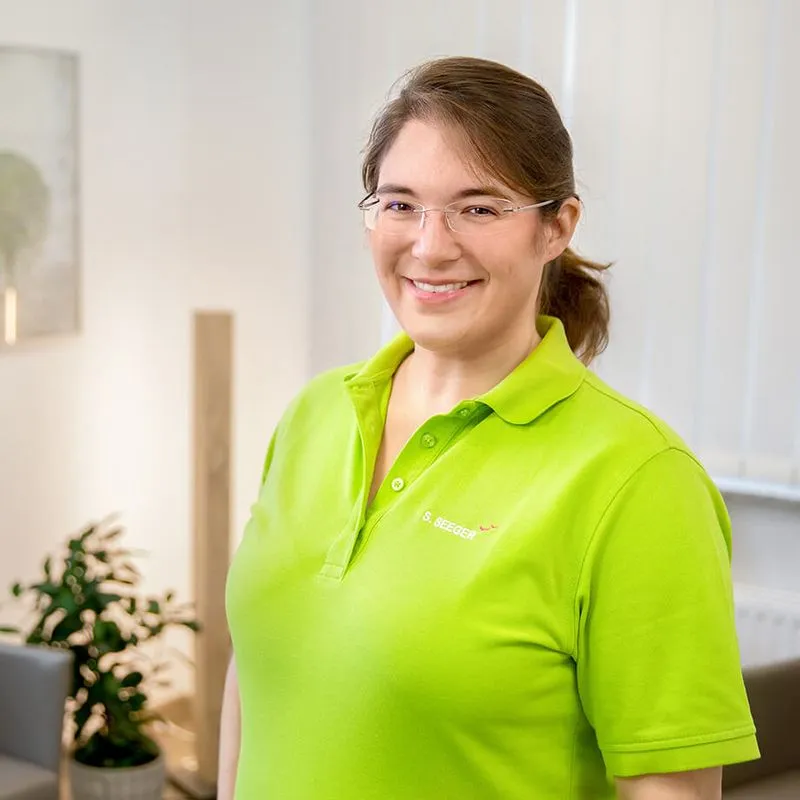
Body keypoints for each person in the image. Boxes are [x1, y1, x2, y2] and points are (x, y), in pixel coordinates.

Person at [219, 56, 759, 799]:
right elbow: (253, 677)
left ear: (556, 227)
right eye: (400, 204)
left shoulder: (638, 478)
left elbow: (673, 791)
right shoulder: (315, 414)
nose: (430, 245)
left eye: (478, 208)